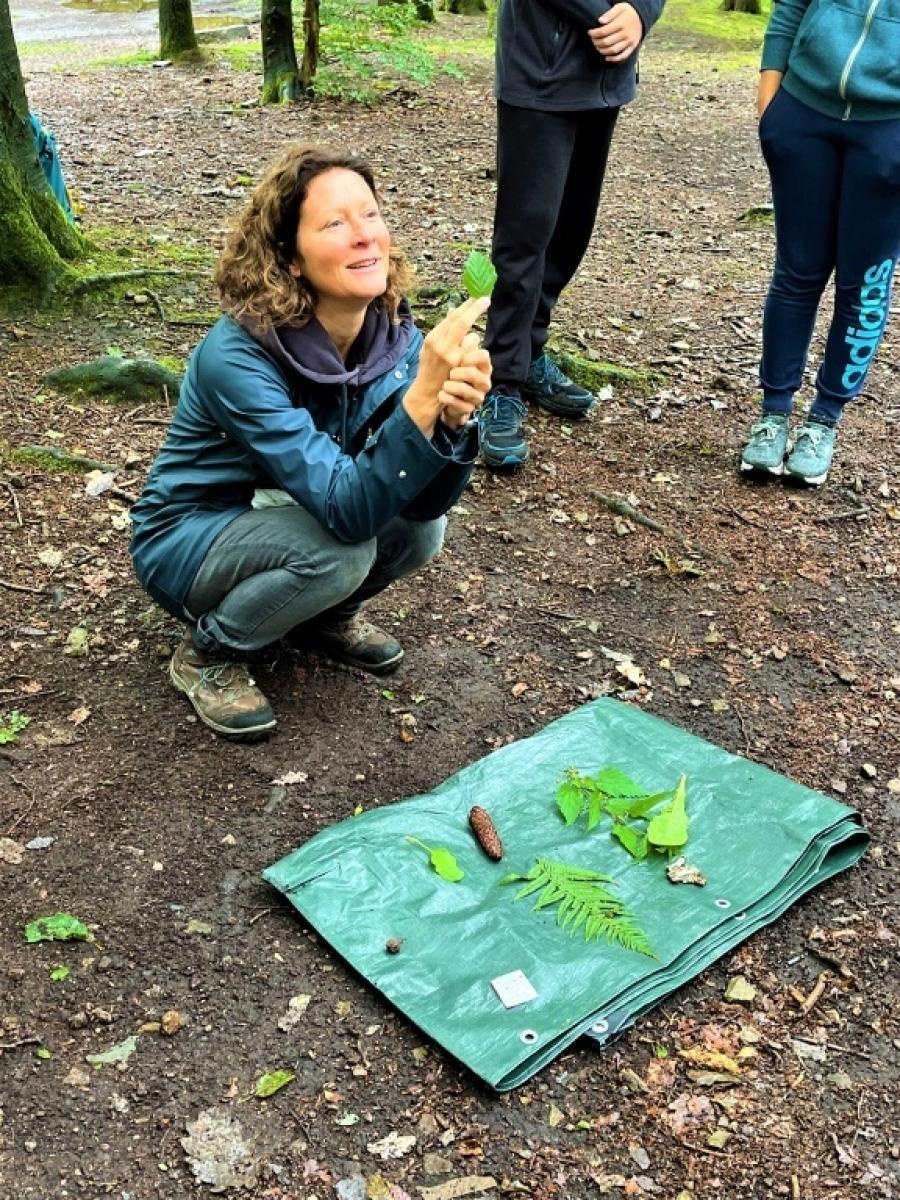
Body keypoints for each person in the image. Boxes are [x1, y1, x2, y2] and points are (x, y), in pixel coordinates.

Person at [130, 144, 492, 739]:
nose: (364, 236)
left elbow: (422, 501)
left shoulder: (393, 339)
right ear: (290, 259)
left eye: (370, 214)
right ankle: (207, 654)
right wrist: (423, 399)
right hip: (192, 535)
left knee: (421, 531)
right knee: (340, 551)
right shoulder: (237, 356)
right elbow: (348, 513)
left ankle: (327, 618)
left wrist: (452, 422)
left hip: (297, 508)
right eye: (334, 223)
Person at [477, 0, 666, 469]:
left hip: (606, 79)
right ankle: (500, 381)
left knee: (571, 230)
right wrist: (607, 16)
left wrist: (640, 13)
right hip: (539, 71)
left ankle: (530, 352)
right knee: (525, 235)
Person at [740, 0, 900, 485]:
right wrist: (771, 106)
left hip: (889, 128)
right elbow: (790, 6)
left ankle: (824, 421)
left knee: (865, 285)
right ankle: (773, 414)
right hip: (804, 111)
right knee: (796, 274)